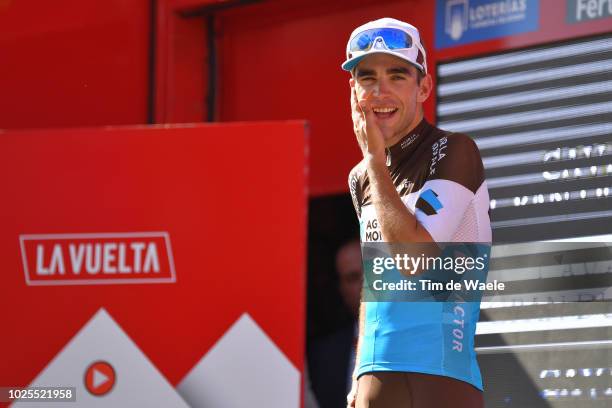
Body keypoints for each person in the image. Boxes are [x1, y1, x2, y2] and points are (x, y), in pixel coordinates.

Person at [342, 18, 492, 407]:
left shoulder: (456, 150)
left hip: (441, 380)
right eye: (367, 77)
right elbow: (376, 282)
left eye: (397, 76)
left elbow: (416, 259)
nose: (381, 91)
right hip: (375, 383)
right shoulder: (361, 176)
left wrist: (375, 161)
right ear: (353, 90)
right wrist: (358, 376)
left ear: (424, 86)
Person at [308, 239, 362, 408]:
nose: (365, 283)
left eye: (372, 271)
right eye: (353, 278)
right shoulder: (321, 358)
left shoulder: (418, 342)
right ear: (341, 289)